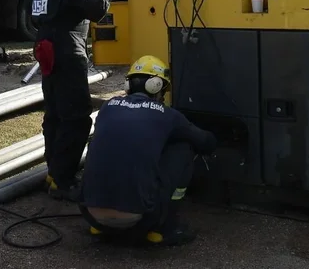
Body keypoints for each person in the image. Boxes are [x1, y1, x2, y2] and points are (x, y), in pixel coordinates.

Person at [79, 55, 217, 247]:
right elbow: (205, 142)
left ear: (129, 85)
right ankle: (165, 228)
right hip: (140, 218)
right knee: (185, 148)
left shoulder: (107, 107)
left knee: (99, 143)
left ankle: (101, 227)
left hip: (90, 214)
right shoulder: (168, 115)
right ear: (156, 86)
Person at [30, 0, 111, 202]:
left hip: (46, 44)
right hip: (67, 47)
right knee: (76, 116)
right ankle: (63, 181)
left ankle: (54, 170)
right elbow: (96, 10)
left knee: (54, 112)